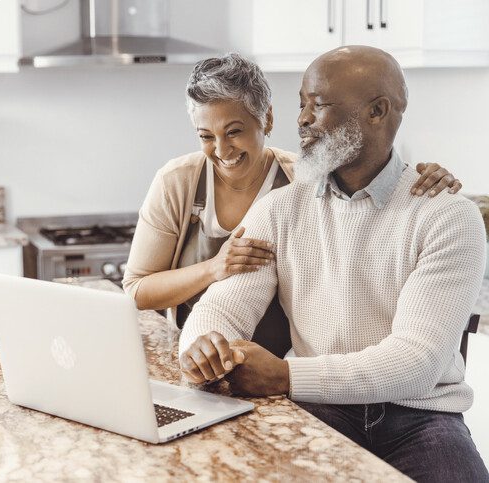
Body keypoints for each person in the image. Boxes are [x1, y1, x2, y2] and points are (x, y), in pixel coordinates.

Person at [178, 46, 488, 482]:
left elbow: (418, 363)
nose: (302, 119)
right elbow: (224, 305)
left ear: (377, 111)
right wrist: (202, 346)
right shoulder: (279, 209)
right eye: (301, 104)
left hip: (420, 418)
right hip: (320, 407)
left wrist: (285, 376)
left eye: (318, 105)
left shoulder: (447, 216)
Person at [123, 52, 462, 357]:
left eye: (234, 131)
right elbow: (137, 289)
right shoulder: (178, 181)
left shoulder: (301, 182)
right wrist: (214, 269)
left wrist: (418, 178)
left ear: (266, 120)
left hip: (284, 367)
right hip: (199, 350)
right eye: (206, 136)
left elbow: (369, 174)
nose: (222, 150)